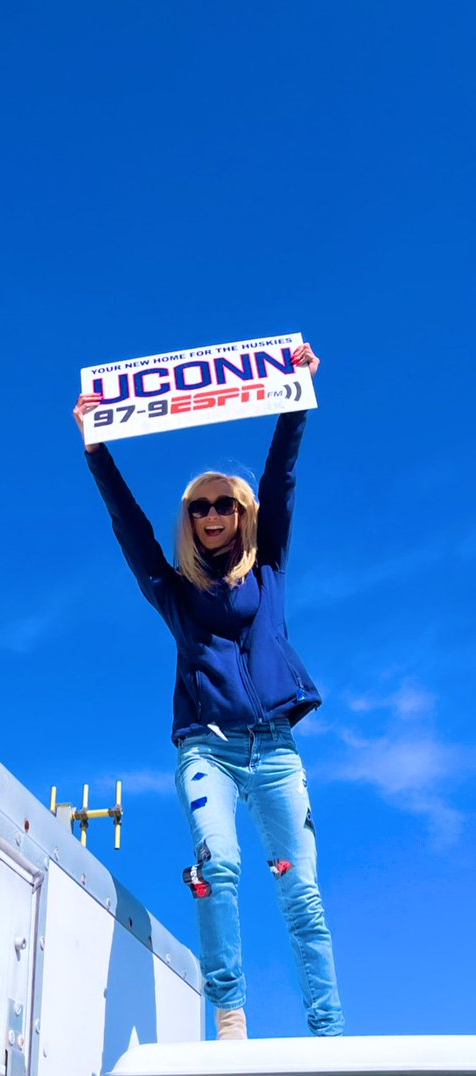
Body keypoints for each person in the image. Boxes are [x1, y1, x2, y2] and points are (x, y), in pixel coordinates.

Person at [73, 343, 344, 1040]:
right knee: (216, 867)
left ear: (242, 513)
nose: (213, 513)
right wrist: (97, 449)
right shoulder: (173, 592)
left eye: (226, 503)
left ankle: (327, 1031)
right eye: (200, 506)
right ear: (190, 520)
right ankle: (230, 1013)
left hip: (274, 751)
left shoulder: (268, 568)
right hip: (207, 751)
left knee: (300, 890)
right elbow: (129, 526)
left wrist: (295, 399)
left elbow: (281, 477)